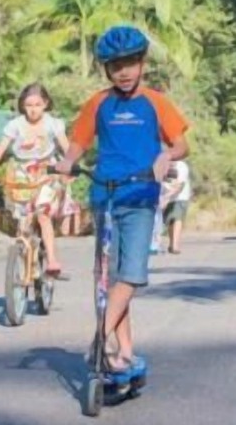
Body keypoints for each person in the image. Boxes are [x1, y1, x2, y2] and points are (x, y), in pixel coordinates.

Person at [55, 24, 189, 378]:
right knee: (108, 279)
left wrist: (166, 157)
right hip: (104, 196)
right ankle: (123, 352)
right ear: (107, 70)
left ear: (142, 63)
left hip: (141, 197)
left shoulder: (156, 102)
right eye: (115, 66)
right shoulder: (98, 103)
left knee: (130, 275)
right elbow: (79, 142)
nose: (124, 72)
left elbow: (181, 144)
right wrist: (69, 161)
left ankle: (99, 339)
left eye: (130, 63)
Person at [0, 83, 71, 278]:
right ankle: (28, 263)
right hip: (21, 172)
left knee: (43, 214)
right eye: (28, 105)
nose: (33, 109)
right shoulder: (15, 125)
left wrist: (70, 165)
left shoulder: (53, 124)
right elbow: (1, 148)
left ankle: (53, 259)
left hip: (46, 171)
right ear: (22, 105)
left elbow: (66, 147)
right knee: (23, 221)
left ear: (45, 104)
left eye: (37, 104)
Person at [162, 159, 191, 254]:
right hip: (166, 196)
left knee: (177, 218)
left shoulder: (181, 166)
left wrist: (166, 197)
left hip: (180, 197)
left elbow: (180, 186)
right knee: (169, 220)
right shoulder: (161, 165)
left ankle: (175, 245)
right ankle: (171, 244)